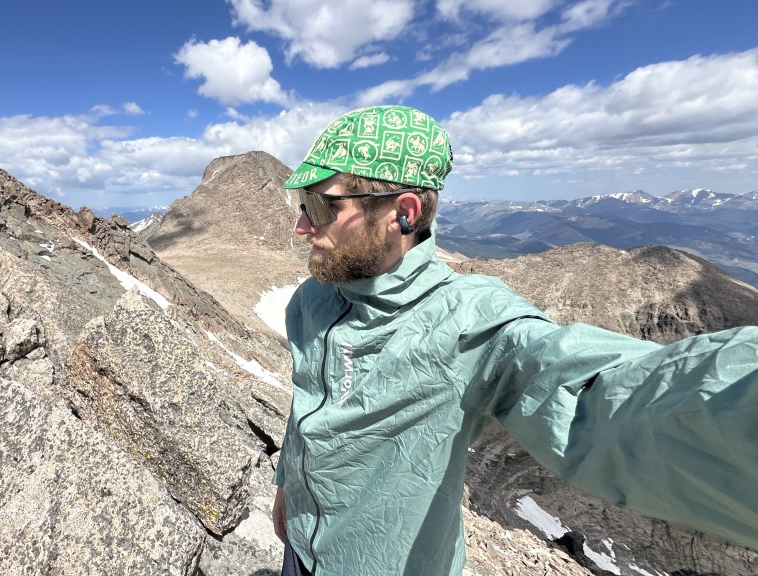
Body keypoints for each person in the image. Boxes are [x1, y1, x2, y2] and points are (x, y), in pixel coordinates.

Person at [271, 105, 758, 576]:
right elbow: (307, 406)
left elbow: (601, 398)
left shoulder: (474, 320)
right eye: (304, 203)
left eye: (323, 205)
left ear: (404, 212)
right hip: (301, 547)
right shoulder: (313, 300)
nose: (302, 226)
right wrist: (286, 486)